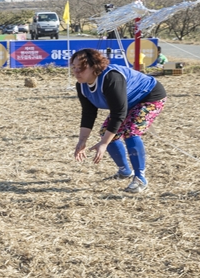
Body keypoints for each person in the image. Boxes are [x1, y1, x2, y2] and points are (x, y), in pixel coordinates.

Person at [71, 48, 166, 194]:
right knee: (106, 132)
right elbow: (89, 113)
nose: (76, 72)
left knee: (131, 132)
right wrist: (82, 141)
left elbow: (118, 113)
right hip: (127, 102)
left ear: (95, 66)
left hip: (149, 96)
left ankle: (140, 178)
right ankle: (124, 171)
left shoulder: (111, 78)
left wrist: (104, 143)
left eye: (81, 68)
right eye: (74, 67)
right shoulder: (81, 85)